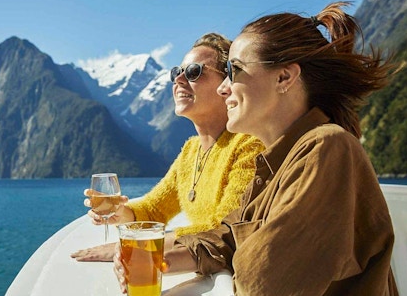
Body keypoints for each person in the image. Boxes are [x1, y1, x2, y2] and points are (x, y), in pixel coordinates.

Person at [114, 2, 404, 296]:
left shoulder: (326, 148)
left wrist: (237, 250)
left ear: (284, 78)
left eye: (234, 71)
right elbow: (226, 236)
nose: (224, 88)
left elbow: (263, 291)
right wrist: (161, 260)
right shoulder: (276, 162)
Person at [71, 33, 264, 262]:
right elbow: (155, 209)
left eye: (193, 72)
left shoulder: (249, 145)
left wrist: (134, 244)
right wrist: (121, 213)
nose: (179, 80)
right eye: (176, 72)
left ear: (226, 84)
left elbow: (223, 228)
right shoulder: (191, 151)